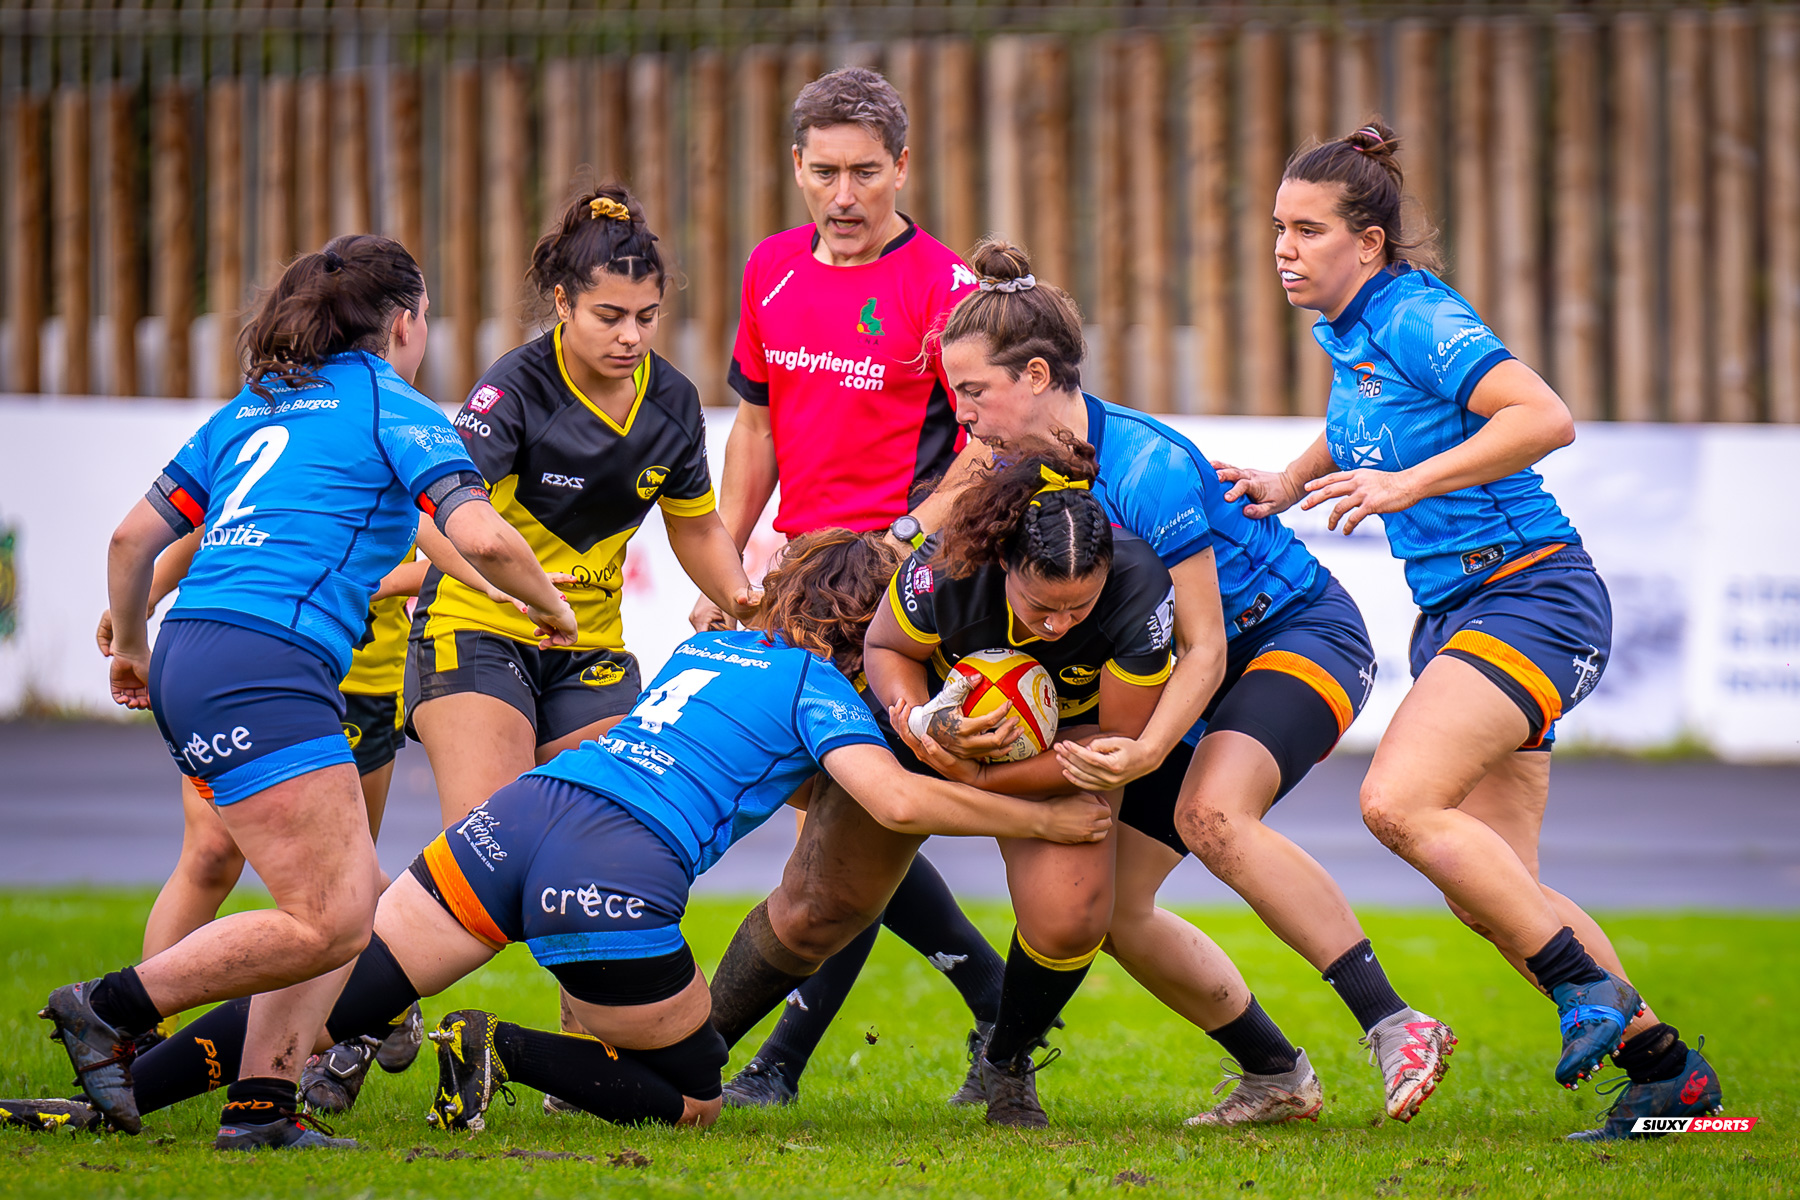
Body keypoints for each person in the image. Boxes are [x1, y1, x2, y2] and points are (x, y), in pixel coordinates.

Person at [4, 530, 1111, 1142]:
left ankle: (107, 1099)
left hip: (523, 816)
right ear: (866, 626)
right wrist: (1042, 811)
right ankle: (498, 1046)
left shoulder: (710, 650)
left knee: (331, 993)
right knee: (694, 1090)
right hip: (612, 865)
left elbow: (677, 750)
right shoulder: (823, 693)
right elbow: (899, 805)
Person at [1221, 122, 1721, 1141]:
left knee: (1397, 802)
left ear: (1369, 243)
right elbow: (1366, 421)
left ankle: (1587, 988)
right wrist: (1289, 478)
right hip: (1466, 609)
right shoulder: (1352, 327)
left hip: (1533, 598)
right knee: (1494, 891)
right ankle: (1669, 1077)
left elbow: (1543, 417)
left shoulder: (1415, 313)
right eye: (1277, 227)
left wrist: (1407, 484)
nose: (1283, 248)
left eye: (1308, 230)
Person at [39, 234, 578, 1150]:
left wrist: (130, 645)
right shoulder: (393, 406)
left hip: (195, 651)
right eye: (426, 317)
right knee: (333, 915)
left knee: (336, 903)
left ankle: (262, 1108)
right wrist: (551, 607)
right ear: (404, 323)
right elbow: (482, 532)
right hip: (267, 663)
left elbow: (132, 541)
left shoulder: (256, 405)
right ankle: (111, 1008)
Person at [934, 238, 1454, 1124]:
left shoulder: (1147, 467)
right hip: (1198, 673)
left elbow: (1206, 648)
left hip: (1297, 637)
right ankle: (1275, 1076)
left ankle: (1396, 1022)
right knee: (1114, 909)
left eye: (974, 390)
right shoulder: (1014, 467)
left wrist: (1140, 752)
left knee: (1212, 815)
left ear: (1035, 375)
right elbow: (929, 552)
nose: (963, 411)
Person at [696, 66, 1010, 1108]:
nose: (843, 195)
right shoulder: (771, 269)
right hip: (802, 584)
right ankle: (1000, 1010)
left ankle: (772, 1065)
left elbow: (986, 446)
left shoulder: (948, 289)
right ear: (796, 166)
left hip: (911, 587)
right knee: (842, 820)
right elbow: (755, 426)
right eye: (824, 172)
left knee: (843, 827)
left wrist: (899, 546)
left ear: (902, 167)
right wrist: (726, 559)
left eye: (865, 173)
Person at [860, 448, 1176, 1127]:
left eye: (1078, 608)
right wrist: (922, 720)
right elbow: (886, 650)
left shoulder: (1141, 585)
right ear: (1004, 563)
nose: (1056, 626)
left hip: (1068, 751)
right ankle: (749, 1064)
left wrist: (983, 778)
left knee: (1072, 917)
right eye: (1039, 606)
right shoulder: (945, 564)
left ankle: (1004, 1060)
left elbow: (1111, 742)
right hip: (937, 730)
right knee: (839, 880)